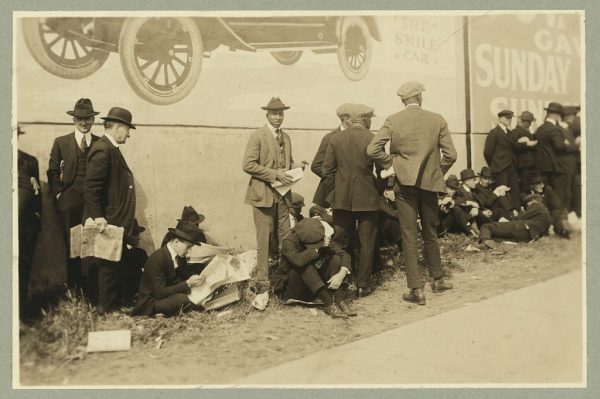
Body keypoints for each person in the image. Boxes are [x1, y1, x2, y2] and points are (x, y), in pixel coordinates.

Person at [367, 81, 457, 305]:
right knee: (430, 232)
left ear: (402, 100)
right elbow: (451, 155)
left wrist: (395, 165)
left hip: (403, 186)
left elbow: (372, 149)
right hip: (429, 183)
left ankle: (416, 290)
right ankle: (437, 280)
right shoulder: (437, 119)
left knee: (409, 236)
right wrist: (437, 171)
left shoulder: (393, 120)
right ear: (420, 98)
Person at [242, 97, 306, 296]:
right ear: (267, 115)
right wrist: (275, 174)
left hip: (283, 197)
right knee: (265, 239)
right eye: (274, 114)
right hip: (263, 196)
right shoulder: (257, 136)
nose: (278, 117)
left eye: (281, 113)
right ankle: (262, 283)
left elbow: (287, 163)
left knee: (287, 238)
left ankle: (285, 281)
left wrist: (297, 167)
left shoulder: (286, 137)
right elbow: (248, 165)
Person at [82, 107, 137, 314]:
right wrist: (98, 217)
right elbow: (91, 187)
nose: (128, 134)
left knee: (114, 263)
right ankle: (107, 308)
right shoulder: (103, 150)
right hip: (108, 218)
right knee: (107, 265)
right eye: (127, 129)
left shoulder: (109, 148)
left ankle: (112, 305)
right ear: (118, 127)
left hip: (113, 217)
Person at [322, 104, 380, 298]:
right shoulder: (372, 138)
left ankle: (339, 280)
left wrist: (334, 194)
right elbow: (382, 172)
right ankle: (363, 284)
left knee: (339, 242)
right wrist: (376, 191)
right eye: (370, 118)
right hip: (368, 199)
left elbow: (327, 171)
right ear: (365, 119)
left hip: (342, 200)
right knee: (367, 242)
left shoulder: (336, 139)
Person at [47, 98, 100, 292]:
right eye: (80, 119)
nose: (84, 122)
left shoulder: (100, 142)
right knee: (72, 246)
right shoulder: (61, 142)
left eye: (88, 118)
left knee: (93, 245)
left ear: (93, 120)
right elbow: (53, 170)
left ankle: (92, 292)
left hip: (94, 202)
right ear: (74, 120)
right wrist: (59, 193)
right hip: (70, 200)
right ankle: (74, 291)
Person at [271, 218, 354, 318]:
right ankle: (328, 304)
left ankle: (340, 300)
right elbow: (298, 261)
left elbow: (344, 255)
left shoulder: (318, 235)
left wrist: (342, 273)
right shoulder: (288, 242)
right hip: (291, 288)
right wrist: (316, 248)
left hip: (312, 287)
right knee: (305, 264)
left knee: (335, 259)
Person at [131, 220, 205, 317]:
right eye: (188, 247)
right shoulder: (158, 258)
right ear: (176, 242)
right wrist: (187, 283)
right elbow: (160, 293)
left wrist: (200, 277)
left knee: (191, 295)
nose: (189, 251)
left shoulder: (179, 256)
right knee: (182, 299)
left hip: (165, 297)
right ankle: (158, 313)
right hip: (151, 302)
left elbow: (185, 274)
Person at [17, 126, 42, 321]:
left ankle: (22, 312)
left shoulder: (29, 161)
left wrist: (37, 216)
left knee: (23, 266)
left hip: (26, 225)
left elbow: (38, 196)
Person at [534, 102, 578, 209]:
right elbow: (559, 147)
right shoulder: (553, 129)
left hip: (542, 167)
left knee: (547, 194)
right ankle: (558, 219)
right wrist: (573, 145)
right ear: (556, 115)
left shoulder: (540, 129)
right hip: (554, 168)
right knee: (559, 195)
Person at [311, 103, 353, 208]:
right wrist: (337, 181)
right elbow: (316, 166)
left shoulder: (356, 137)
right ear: (346, 118)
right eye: (355, 117)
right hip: (330, 194)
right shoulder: (330, 137)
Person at [476, 194, 551, 250]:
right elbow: (546, 231)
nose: (527, 207)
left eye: (527, 205)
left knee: (487, 226)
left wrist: (507, 221)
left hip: (520, 227)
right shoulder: (545, 212)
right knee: (495, 236)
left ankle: (483, 243)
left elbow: (520, 218)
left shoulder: (536, 205)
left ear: (532, 201)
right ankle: (490, 243)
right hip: (526, 237)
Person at [483, 109, 521, 209]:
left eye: (510, 118)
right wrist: (495, 165)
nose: (509, 120)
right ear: (501, 119)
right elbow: (487, 152)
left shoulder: (509, 132)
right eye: (507, 118)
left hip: (511, 166)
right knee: (502, 193)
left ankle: (516, 213)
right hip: (501, 168)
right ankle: (507, 214)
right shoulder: (494, 133)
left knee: (515, 191)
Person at [119, 219, 149, 306]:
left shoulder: (141, 253)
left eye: (138, 234)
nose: (138, 237)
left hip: (137, 290)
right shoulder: (119, 253)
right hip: (121, 292)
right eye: (135, 234)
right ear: (126, 236)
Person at [557, 106, 580, 215]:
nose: (575, 119)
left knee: (571, 192)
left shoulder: (569, 129)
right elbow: (564, 148)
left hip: (572, 166)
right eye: (573, 116)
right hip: (565, 166)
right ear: (568, 116)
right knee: (565, 193)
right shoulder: (559, 130)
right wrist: (577, 144)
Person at [509, 111, 539, 191]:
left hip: (529, 165)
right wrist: (527, 144)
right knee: (525, 186)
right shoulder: (515, 132)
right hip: (523, 166)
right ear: (525, 122)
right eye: (529, 122)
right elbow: (513, 146)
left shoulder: (526, 132)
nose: (530, 124)